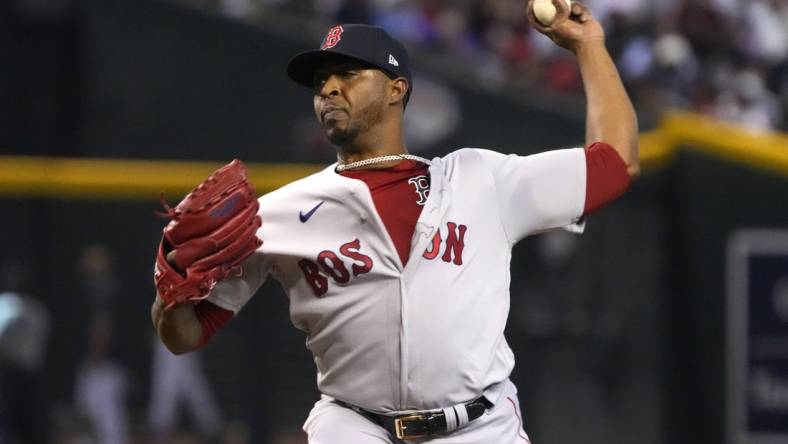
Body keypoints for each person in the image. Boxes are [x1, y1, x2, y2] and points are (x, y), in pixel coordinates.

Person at [151, 0, 639, 441]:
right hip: (354, 425)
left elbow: (616, 162)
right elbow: (185, 336)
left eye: (348, 74)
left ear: (396, 89)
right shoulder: (278, 213)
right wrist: (170, 293)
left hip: (482, 426)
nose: (329, 89)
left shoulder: (482, 179)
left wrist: (589, 46)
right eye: (321, 81)